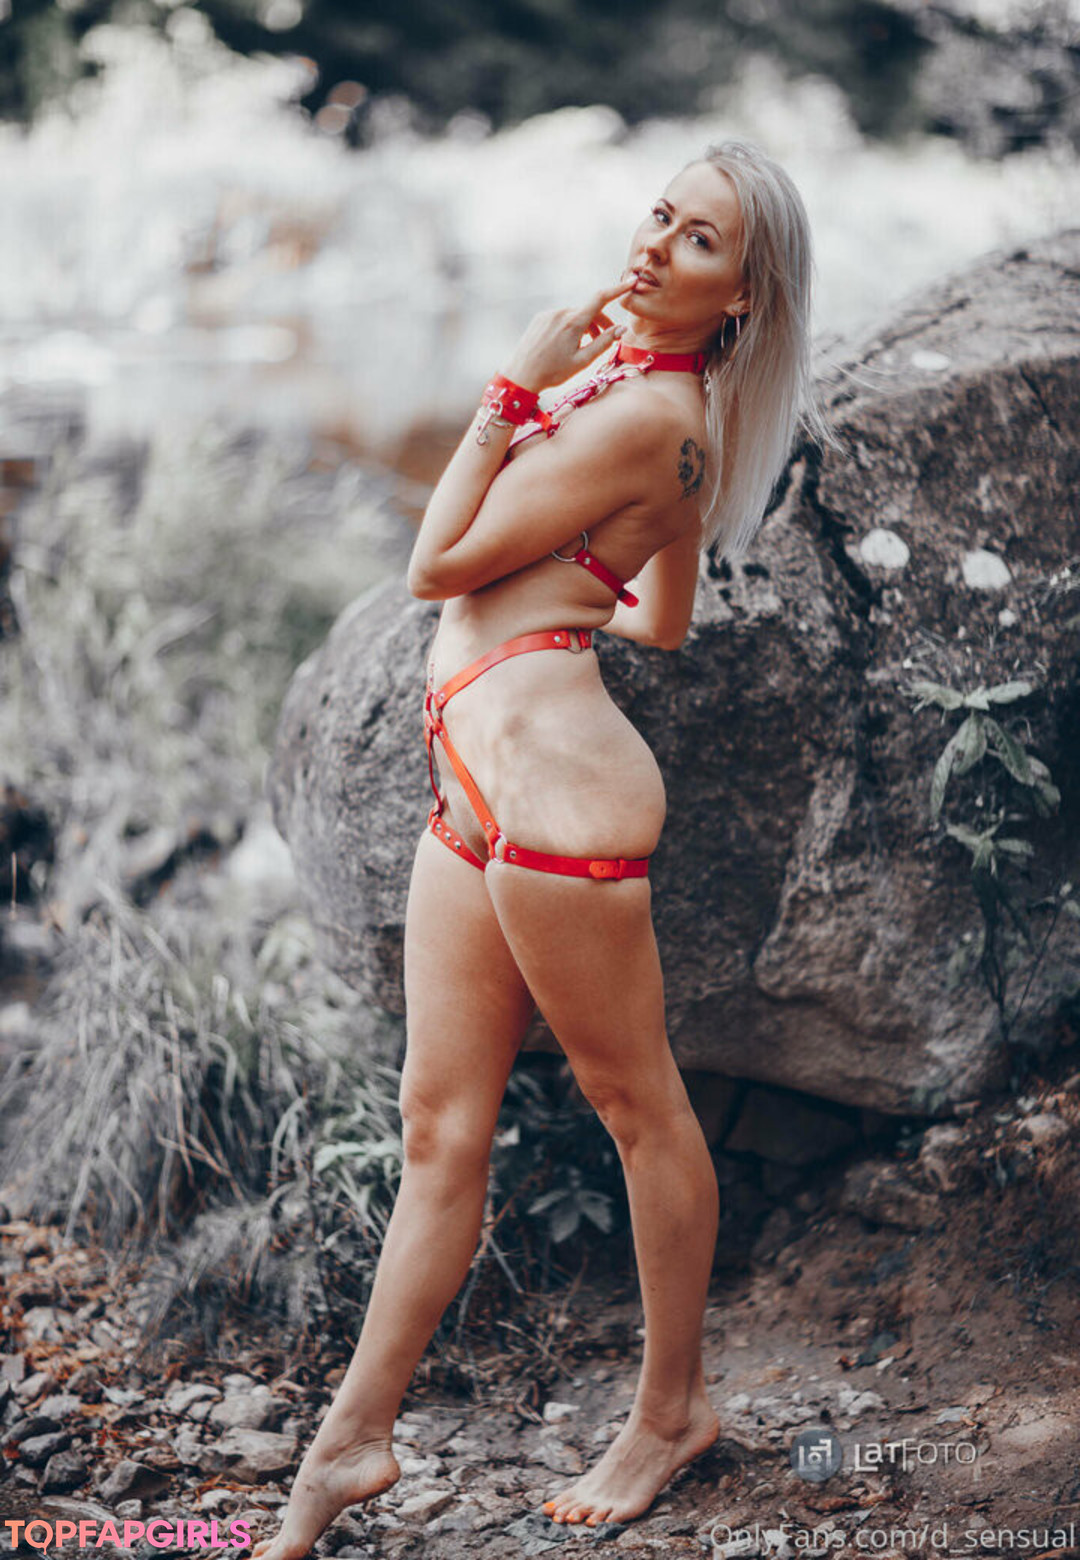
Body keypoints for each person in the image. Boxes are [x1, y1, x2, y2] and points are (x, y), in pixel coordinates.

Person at [249, 138, 826, 1559]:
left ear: (744, 297)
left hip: (560, 807)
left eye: (699, 241)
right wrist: (566, 601)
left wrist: (508, 386)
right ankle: (349, 1443)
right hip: (482, 783)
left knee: (640, 1109)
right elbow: (663, 618)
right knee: (437, 1130)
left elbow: (435, 565)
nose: (655, 245)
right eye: (660, 215)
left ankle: (670, 1412)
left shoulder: (647, 414)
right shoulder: (650, 405)